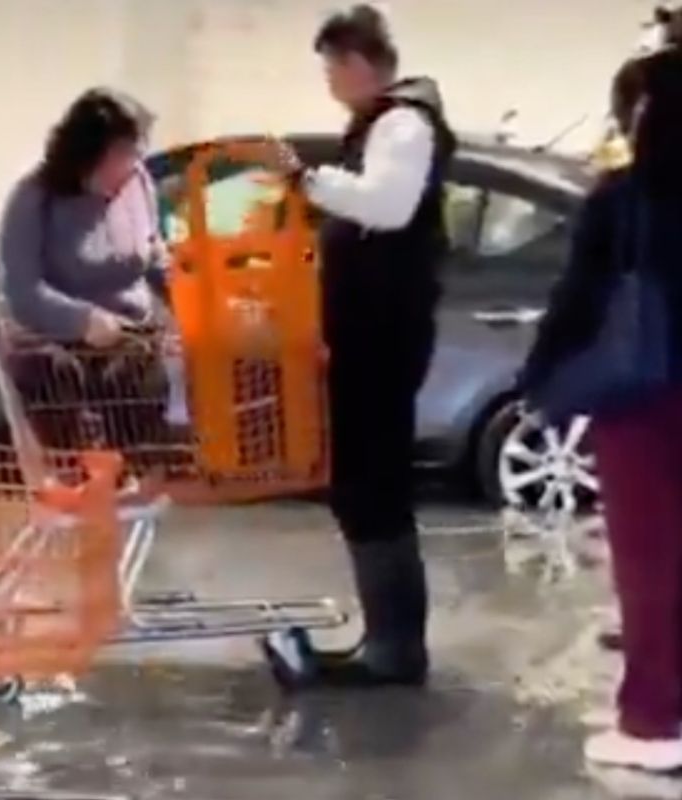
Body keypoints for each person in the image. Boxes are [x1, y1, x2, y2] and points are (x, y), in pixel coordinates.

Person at [262, 4, 457, 687]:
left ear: (356, 63)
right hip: (367, 334)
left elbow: (388, 205)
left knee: (373, 484)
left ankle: (396, 651)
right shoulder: (384, 124)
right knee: (362, 484)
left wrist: (308, 180)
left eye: (329, 68)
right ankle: (387, 639)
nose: (327, 82)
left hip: (383, 335)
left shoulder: (403, 125)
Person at [520, 48, 682, 774]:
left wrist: (543, 380)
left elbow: (579, 299)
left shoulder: (624, 199)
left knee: (651, 564)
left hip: (644, 399)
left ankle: (653, 722)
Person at [0, 88, 173, 458]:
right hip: (62, 354)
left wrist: (186, 293)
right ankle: (84, 477)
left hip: (133, 344)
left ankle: (136, 479)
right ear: (86, 154)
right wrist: (83, 320)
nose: (129, 166)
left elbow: (152, 251)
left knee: (144, 401)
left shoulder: (138, 184)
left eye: (135, 154)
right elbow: (23, 291)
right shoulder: (33, 199)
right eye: (120, 155)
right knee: (52, 379)